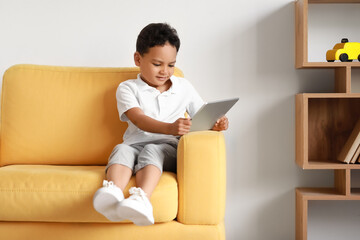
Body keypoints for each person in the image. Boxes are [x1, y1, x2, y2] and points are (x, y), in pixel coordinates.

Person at [93, 23, 229, 226]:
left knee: (151, 150)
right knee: (121, 149)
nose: (165, 71)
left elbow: (201, 115)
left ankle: (141, 199)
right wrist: (170, 126)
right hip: (134, 144)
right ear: (138, 59)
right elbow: (138, 118)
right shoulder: (128, 88)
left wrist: (215, 123)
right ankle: (112, 193)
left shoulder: (183, 87)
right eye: (158, 64)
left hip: (168, 147)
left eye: (171, 65)